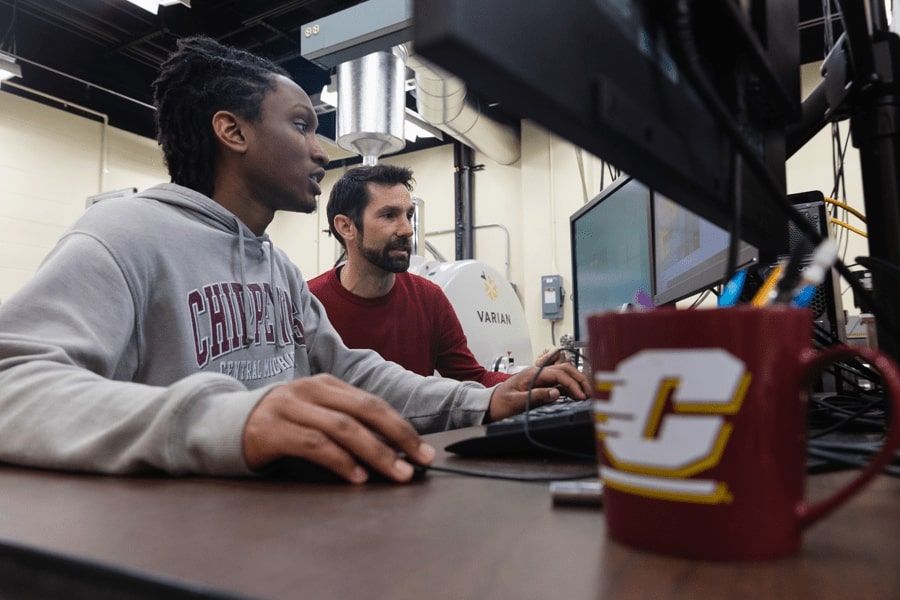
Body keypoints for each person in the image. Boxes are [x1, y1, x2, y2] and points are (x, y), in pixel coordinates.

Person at [0, 35, 591, 485]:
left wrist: (484, 398)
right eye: (302, 125)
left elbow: (350, 372)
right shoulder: (122, 234)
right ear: (232, 132)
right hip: (170, 542)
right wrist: (229, 420)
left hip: (269, 528)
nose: (319, 148)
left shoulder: (275, 266)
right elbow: (13, 386)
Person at [308, 164, 511, 387]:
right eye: (389, 215)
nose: (407, 229)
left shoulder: (429, 299)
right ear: (346, 227)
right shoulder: (309, 304)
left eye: (409, 215)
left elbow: (474, 378)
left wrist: (534, 379)